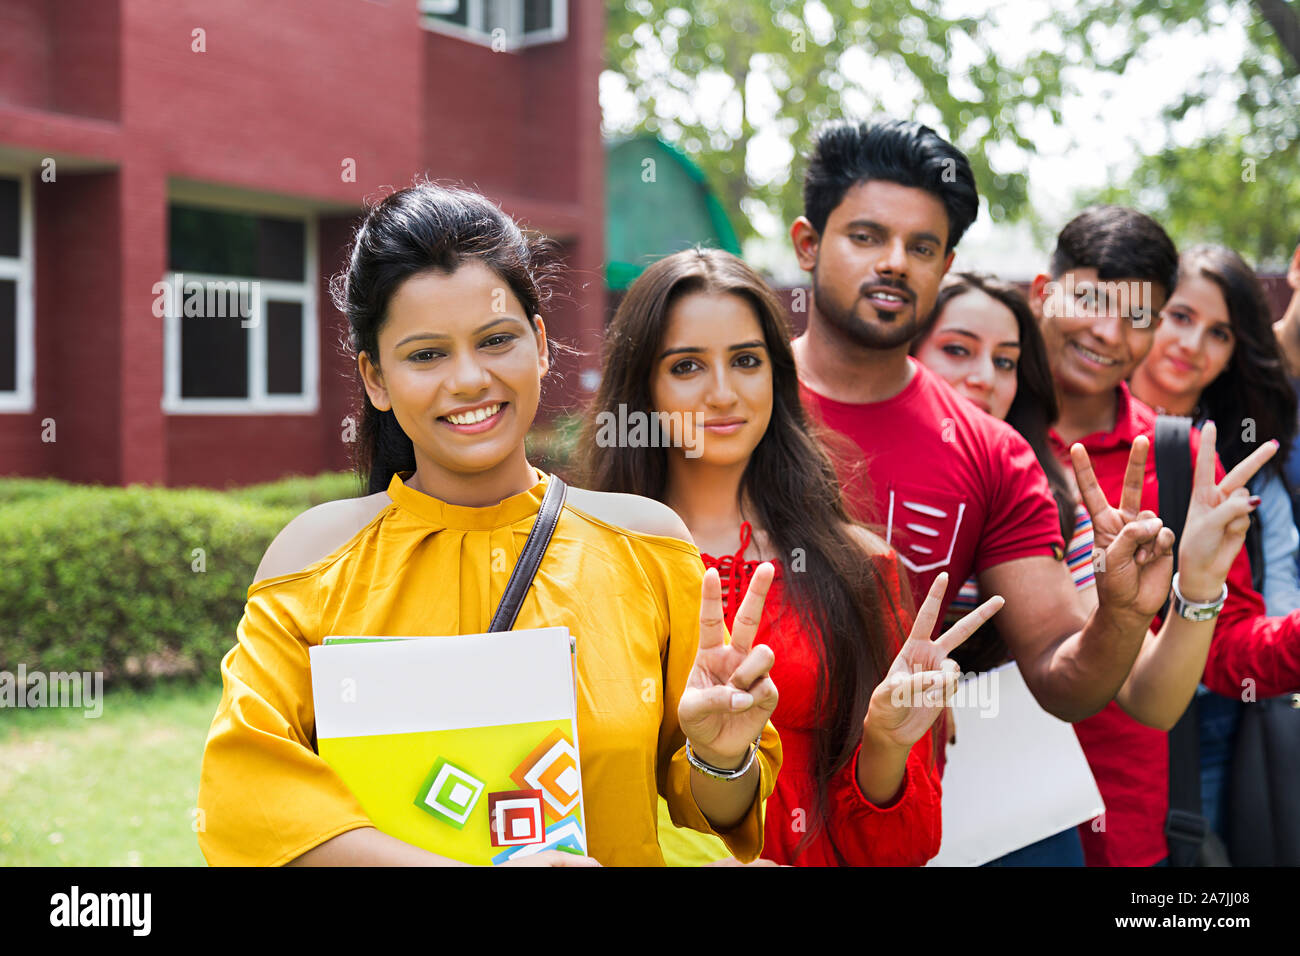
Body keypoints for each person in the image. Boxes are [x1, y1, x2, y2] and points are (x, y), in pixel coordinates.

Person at [195, 182, 783, 867]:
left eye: (495, 340)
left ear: (539, 344)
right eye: (426, 355)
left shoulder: (647, 545)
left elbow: (715, 810)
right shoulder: (314, 560)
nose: (469, 379)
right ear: (375, 378)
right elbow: (244, 798)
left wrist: (720, 756)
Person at [576, 248, 1003, 865]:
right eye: (687, 365)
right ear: (642, 387)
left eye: (746, 361)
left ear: (777, 377)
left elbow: (901, 849)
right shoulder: (587, 560)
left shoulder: (857, 567)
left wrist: (885, 744)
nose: (723, 393)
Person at [788, 118, 1175, 736]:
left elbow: (1059, 671)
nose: (893, 263)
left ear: (946, 264)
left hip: (898, 816)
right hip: (710, 810)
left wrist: (1122, 615)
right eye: (866, 236)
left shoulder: (996, 454)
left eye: (920, 247)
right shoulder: (732, 407)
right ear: (808, 244)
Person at [911, 271, 1273, 865]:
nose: (982, 377)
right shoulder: (826, 475)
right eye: (956, 350)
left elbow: (1148, 699)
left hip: (1010, 825)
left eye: (1005, 362)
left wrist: (1197, 582)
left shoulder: (1045, 501)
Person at [1030, 205, 1300, 866]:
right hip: (963, 818)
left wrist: (1196, 589)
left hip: (1125, 822)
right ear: (1045, 292)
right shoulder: (975, 427)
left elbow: (1226, 647)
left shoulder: (1179, 460)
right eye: (1091, 300)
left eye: (1137, 316)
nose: (1107, 331)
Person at [1128, 244, 1300, 841]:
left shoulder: (1236, 466)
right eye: (1179, 316)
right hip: (1059, 725)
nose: (1191, 345)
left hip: (1195, 731)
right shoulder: (1055, 429)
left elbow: (1232, 646)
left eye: (1219, 333)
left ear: (1234, 354)